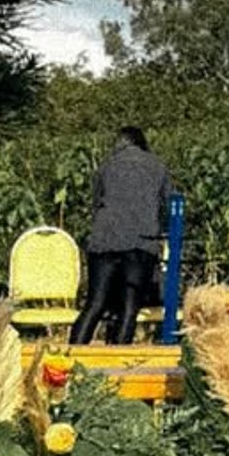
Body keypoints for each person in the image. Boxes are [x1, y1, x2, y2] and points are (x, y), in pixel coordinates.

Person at [70, 127, 173, 345]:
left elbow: (97, 203)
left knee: (95, 303)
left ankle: (72, 354)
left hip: (104, 241)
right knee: (130, 305)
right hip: (141, 242)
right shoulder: (158, 166)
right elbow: (168, 206)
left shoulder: (105, 167)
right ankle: (118, 357)